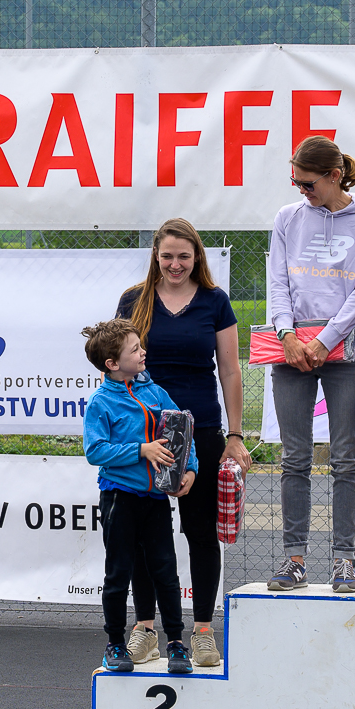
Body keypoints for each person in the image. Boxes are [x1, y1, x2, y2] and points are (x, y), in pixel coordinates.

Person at [116, 218, 251, 668]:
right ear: (155, 256)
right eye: (167, 256)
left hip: (202, 431)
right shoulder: (133, 300)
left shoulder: (215, 301)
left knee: (201, 533)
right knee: (144, 537)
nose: (175, 265)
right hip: (145, 434)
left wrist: (234, 435)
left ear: (197, 258)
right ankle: (145, 630)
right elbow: (117, 366)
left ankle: (204, 632)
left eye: (184, 257)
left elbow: (230, 370)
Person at [266, 135, 355, 593]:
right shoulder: (287, 218)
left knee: (345, 458)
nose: (302, 191)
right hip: (292, 351)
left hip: (344, 354)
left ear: (335, 176)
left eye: (309, 183)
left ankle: (344, 562)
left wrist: (326, 340)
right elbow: (278, 280)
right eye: (295, 182)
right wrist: (286, 334)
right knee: (294, 457)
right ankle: (294, 560)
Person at [81, 318, 197, 673]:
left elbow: (183, 430)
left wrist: (190, 469)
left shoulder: (155, 393)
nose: (143, 352)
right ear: (112, 364)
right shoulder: (101, 402)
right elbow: (95, 451)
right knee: (118, 573)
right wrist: (141, 450)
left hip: (156, 500)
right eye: (135, 349)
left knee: (166, 571)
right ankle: (115, 644)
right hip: (120, 498)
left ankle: (176, 643)